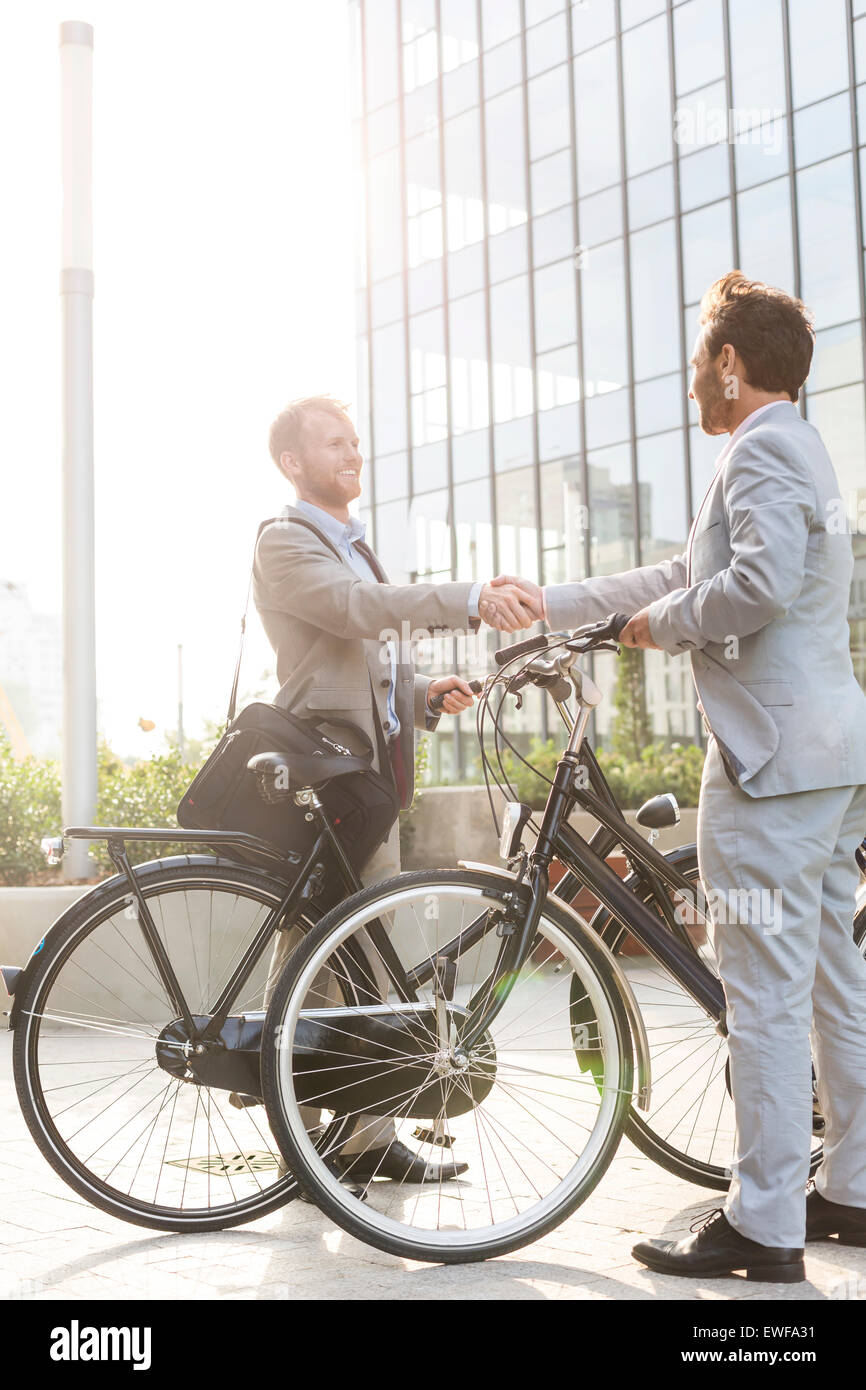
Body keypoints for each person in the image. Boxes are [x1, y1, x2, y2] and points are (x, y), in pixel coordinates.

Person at [482, 272, 866, 1281]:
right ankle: (849, 1191)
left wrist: (663, 629)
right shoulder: (796, 446)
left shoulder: (760, 449)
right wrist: (551, 606)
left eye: (697, 362)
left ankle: (762, 1225)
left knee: (764, 997)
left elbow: (749, 587)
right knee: (829, 980)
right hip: (822, 764)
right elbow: (676, 573)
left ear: (728, 364)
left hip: (771, 770)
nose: (692, 382)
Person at [253, 394, 543, 1187]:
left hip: (366, 778)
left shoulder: (351, 543)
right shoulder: (286, 541)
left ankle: (357, 1137)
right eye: (333, 444)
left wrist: (419, 697)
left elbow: (372, 660)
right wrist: (465, 598)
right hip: (324, 777)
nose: (352, 454)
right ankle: (307, 1135)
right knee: (319, 955)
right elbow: (353, 614)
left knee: (360, 954)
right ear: (292, 462)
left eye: (355, 440)